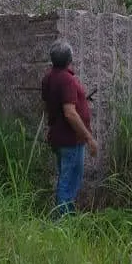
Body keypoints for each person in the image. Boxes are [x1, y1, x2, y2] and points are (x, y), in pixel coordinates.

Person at [40, 40, 97, 216]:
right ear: (70, 59)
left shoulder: (49, 77)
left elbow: (47, 105)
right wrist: (89, 138)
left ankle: (67, 219)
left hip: (59, 138)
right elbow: (70, 113)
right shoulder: (67, 80)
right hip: (71, 141)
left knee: (67, 179)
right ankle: (60, 224)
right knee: (69, 182)